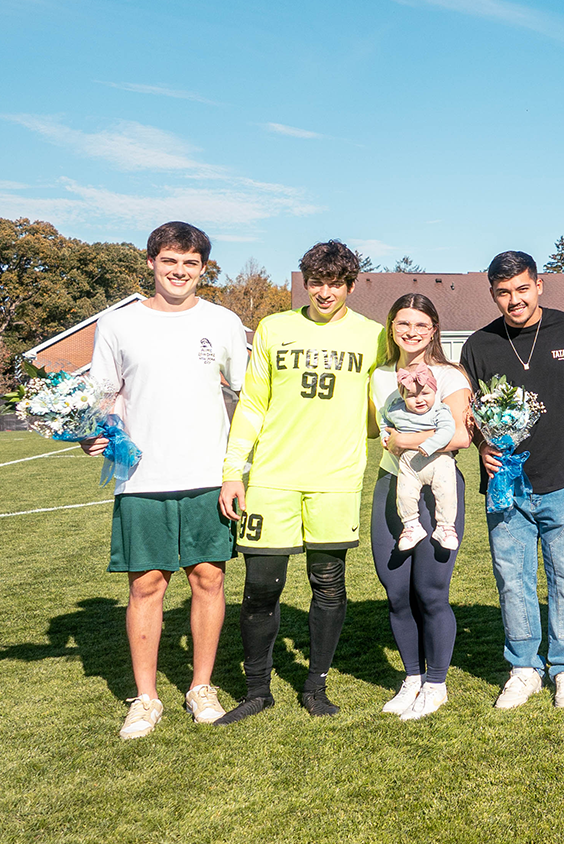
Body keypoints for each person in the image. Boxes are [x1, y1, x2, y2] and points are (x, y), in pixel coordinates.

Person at [86, 221, 248, 739]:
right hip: (140, 479)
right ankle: (146, 697)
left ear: (203, 268)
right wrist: (93, 434)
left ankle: (201, 686)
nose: (180, 271)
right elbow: (103, 398)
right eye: (170, 261)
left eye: (191, 263)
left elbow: (249, 398)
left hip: (208, 476)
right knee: (148, 585)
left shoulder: (223, 322)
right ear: (152, 262)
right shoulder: (117, 324)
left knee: (209, 579)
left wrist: (238, 470)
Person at [218, 240, 385, 722]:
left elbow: (382, 406)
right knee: (261, 587)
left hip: (336, 480)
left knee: (328, 585)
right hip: (272, 478)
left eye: (335, 283)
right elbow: (251, 404)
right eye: (316, 282)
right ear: (305, 282)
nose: (325, 292)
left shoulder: (373, 336)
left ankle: (316, 687)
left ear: (351, 285)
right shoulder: (274, 328)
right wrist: (234, 471)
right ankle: (256, 690)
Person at [462, 251, 564, 711]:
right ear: (492, 295)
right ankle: (523, 669)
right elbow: (470, 412)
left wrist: (562, 419)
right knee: (512, 580)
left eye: (522, 289)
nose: (514, 299)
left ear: (538, 285)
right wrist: (483, 443)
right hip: (505, 485)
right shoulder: (479, 345)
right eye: (503, 292)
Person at [369, 295, 472, 721]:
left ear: (434, 330)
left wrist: (402, 441)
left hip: (437, 488)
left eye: (421, 324)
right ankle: (412, 677)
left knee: (431, 593)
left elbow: (459, 438)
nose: (411, 332)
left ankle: (436, 684)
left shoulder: (449, 375)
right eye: (403, 323)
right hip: (391, 484)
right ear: (392, 326)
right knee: (395, 592)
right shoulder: (378, 376)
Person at [381, 364, 461, 553]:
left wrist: (428, 446)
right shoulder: (396, 410)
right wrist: (386, 435)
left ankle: (445, 527)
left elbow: (448, 431)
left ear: (434, 389)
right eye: (411, 396)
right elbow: (384, 416)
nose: (419, 400)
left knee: (446, 492)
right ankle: (411, 526)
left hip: (438, 460)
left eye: (425, 393)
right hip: (410, 463)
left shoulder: (440, 411)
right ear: (403, 397)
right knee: (405, 493)